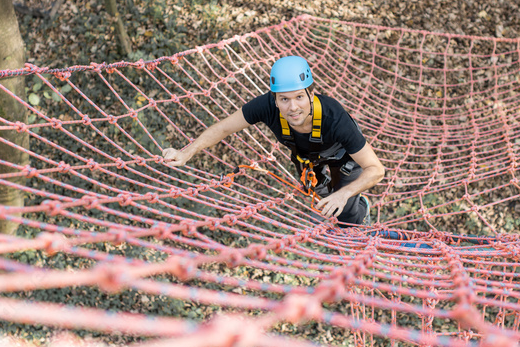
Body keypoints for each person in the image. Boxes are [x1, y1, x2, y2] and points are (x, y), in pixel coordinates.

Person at [161, 56, 385, 226]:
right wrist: (187, 152)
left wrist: (344, 194)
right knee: (321, 196)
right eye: (284, 99)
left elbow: (376, 169)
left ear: (311, 94)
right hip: (307, 158)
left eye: (299, 97)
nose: (293, 107)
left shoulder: (335, 119)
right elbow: (223, 128)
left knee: (344, 212)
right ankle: (335, 199)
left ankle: (359, 212)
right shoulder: (266, 107)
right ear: (275, 99)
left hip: (344, 158)